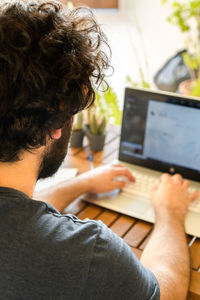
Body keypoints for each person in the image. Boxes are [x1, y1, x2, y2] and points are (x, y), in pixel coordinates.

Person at [0, 1, 198, 299]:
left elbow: (14, 214)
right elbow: (165, 290)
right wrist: (170, 211)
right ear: (57, 122)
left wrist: (80, 184)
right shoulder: (88, 254)